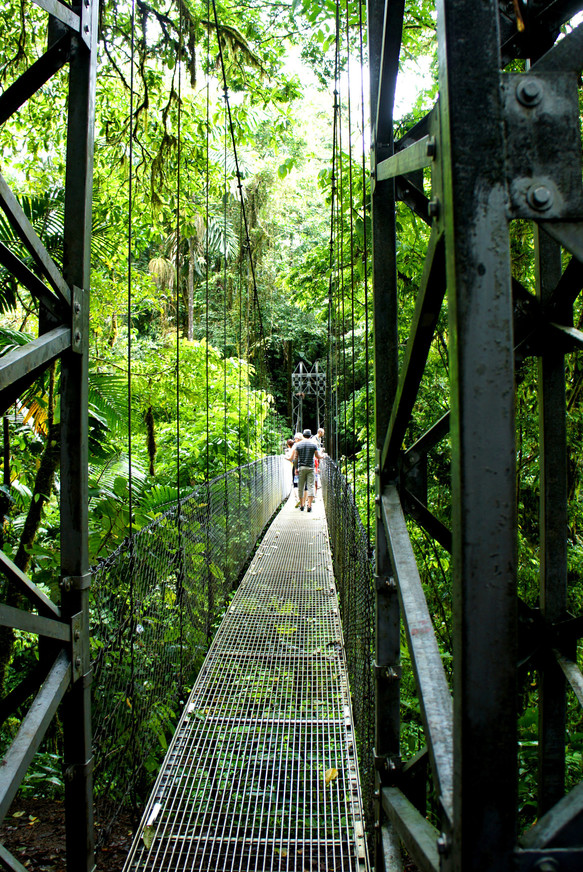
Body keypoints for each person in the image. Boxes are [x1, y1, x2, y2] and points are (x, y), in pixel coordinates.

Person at [290, 428, 323, 513]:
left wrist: (296, 468)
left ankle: (302, 505)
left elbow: (296, 457)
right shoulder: (313, 444)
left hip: (301, 468)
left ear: (303, 435)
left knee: (300, 486)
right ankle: (309, 506)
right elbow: (317, 456)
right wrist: (323, 456)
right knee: (311, 486)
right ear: (310, 435)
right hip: (311, 468)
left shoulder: (298, 445)